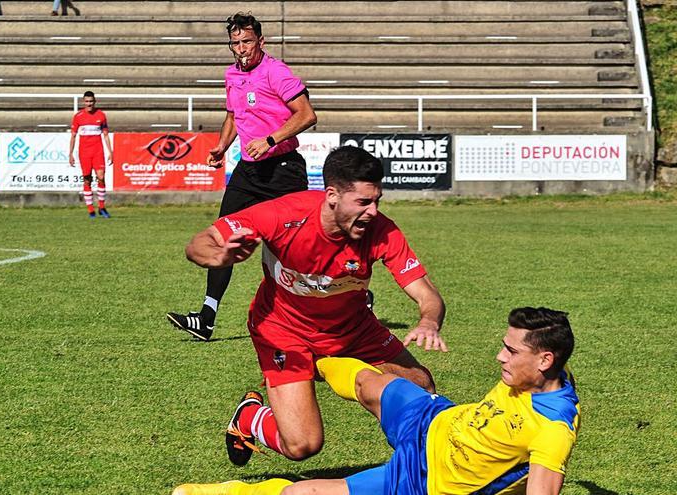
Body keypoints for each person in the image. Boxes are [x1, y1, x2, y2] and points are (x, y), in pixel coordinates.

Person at [181, 146, 446, 466]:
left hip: (354, 329)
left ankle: (416, 469)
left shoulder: (381, 230)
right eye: (363, 202)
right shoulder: (282, 215)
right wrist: (217, 256)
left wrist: (429, 321)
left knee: (421, 388)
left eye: (377, 200)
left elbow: (426, 293)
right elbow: (200, 242)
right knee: (302, 445)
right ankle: (250, 418)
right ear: (332, 195)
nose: (373, 211)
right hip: (283, 332)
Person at [173, 307, 580, 495]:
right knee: (369, 380)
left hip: (421, 479)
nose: (499, 357)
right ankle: (305, 361)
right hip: (435, 418)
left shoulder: (553, 430)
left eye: (511, 351)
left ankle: (211, 492)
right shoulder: (541, 373)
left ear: (545, 360)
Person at [166, 11, 317, 341]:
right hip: (248, 172)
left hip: (283, 171)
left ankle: (349, 298)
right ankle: (206, 317)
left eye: (247, 41)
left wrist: (271, 139)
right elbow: (234, 115)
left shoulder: (275, 72)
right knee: (222, 236)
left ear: (260, 41)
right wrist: (221, 146)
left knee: (297, 248)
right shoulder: (232, 75)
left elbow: (307, 114)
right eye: (235, 43)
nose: (241, 48)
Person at [69, 91, 113, 219]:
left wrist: (110, 151)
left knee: (101, 176)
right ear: (84, 102)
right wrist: (70, 153)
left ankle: (102, 207)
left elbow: (105, 135)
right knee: (87, 179)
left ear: (95, 102)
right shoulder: (78, 116)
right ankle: (90, 210)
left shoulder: (101, 115)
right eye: (87, 101)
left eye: (91, 101)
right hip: (84, 153)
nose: (89, 104)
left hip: (98, 151)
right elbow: (73, 136)